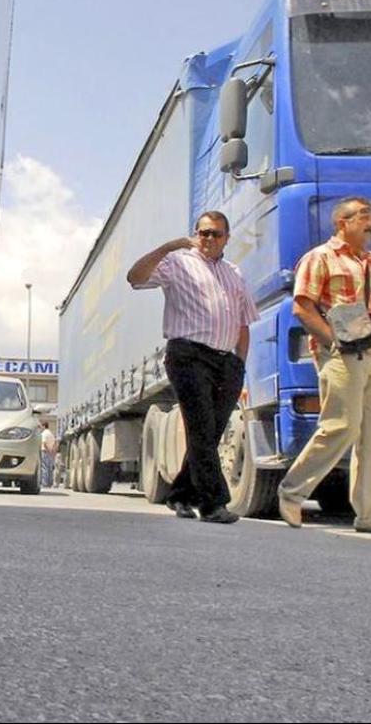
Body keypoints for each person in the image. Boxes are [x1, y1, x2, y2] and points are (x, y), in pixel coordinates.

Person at [278, 198, 371, 534]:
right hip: (342, 355)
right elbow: (303, 307)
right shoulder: (320, 257)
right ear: (341, 223)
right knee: (341, 426)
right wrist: (333, 342)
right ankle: (292, 492)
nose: (370, 223)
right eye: (362, 216)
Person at [127, 210, 257, 524]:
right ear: (195, 234)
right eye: (203, 233)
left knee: (210, 433)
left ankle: (181, 494)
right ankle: (213, 504)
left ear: (227, 238)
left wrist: (239, 363)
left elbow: (243, 322)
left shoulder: (234, 272)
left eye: (216, 234)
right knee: (200, 426)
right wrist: (166, 247)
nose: (208, 239)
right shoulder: (178, 263)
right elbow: (135, 278)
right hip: (188, 355)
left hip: (226, 361)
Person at [39, 421, 56, 488]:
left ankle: (44, 483)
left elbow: (44, 443)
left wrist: (48, 450)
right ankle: (50, 483)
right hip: (51, 452)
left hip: (45, 451)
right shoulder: (51, 434)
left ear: (43, 426)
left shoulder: (44, 434)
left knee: (44, 468)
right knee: (50, 468)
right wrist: (52, 451)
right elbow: (54, 443)